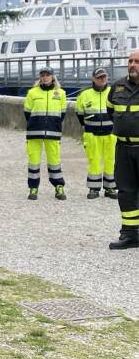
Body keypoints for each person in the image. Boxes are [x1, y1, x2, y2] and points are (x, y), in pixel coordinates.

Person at [108, 50, 139, 249]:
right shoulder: (117, 87)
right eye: (130, 61)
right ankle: (130, 234)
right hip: (123, 147)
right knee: (126, 192)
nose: (132, 64)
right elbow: (111, 110)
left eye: (137, 61)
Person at [23, 67, 67, 201]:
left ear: (53, 77)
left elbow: (62, 114)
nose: (45, 77)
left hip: (53, 131)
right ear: (39, 77)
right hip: (35, 131)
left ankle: (59, 187)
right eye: (42, 75)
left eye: (47, 75)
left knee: (54, 161)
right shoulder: (32, 93)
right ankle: (33, 188)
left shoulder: (61, 93)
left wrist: (53, 124)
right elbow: (27, 113)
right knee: (34, 161)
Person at [75, 67, 116, 200]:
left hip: (111, 134)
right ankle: (94, 188)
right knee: (94, 161)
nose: (102, 79)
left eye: (104, 76)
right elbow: (79, 114)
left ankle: (110, 188)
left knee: (111, 160)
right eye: (99, 77)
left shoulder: (113, 92)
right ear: (93, 79)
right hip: (92, 134)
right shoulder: (84, 95)